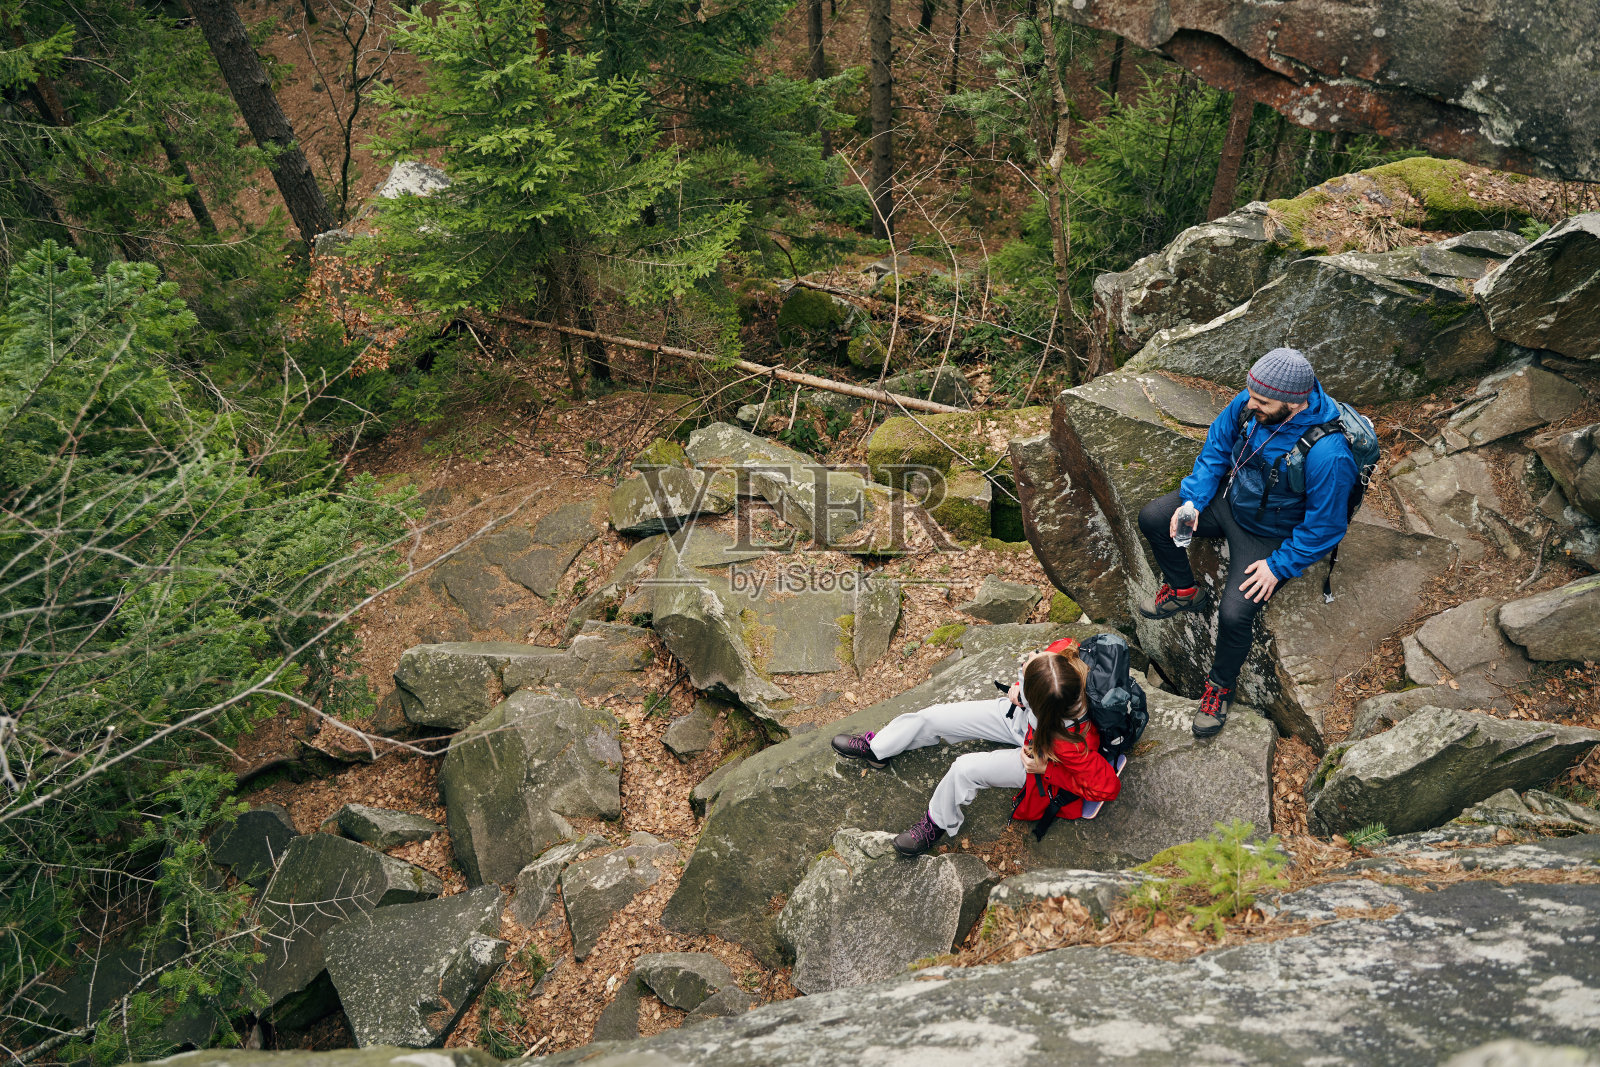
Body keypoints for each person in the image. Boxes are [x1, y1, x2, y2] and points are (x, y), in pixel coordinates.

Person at [1136, 347, 1358, 739]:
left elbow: (1325, 526)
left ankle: (1219, 688)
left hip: (1270, 532)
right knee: (1154, 518)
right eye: (1250, 394)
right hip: (1232, 498)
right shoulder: (1252, 401)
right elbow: (1217, 450)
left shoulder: (1328, 452)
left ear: (1295, 402)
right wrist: (1192, 502)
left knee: (1236, 613)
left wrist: (1279, 565)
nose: (1248, 403)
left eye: (1261, 401)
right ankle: (1185, 590)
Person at [830, 642, 1122, 857]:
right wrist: (1020, 688)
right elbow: (1041, 665)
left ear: (1038, 702)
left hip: (1041, 750)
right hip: (1024, 719)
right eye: (1035, 658)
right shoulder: (1062, 662)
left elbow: (1107, 788)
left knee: (964, 769)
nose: (1030, 658)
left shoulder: (1070, 743)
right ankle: (877, 749)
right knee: (932, 717)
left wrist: (1047, 769)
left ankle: (936, 822)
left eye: (1031, 663)